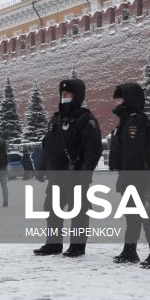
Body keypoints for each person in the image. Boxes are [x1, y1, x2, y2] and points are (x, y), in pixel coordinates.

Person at [33, 78, 103, 257]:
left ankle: (77, 246)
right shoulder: (55, 120)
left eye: (68, 94)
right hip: (56, 176)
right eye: (62, 94)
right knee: (52, 209)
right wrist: (41, 168)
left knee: (78, 211)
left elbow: (94, 148)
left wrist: (86, 171)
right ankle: (53, 244)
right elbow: (47, 146)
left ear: (77, 96)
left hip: (76, 175)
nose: (64, 97)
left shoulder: (85, 119)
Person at [108, 83, 150, 268]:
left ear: (129, 99)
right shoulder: (127, 121)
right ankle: (130, 251)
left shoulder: (136, 121)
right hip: (129, 175)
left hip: (139, 176)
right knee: (131, 214)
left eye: (119, 98)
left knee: (145, 213)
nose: (116, 102)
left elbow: (134, 153)